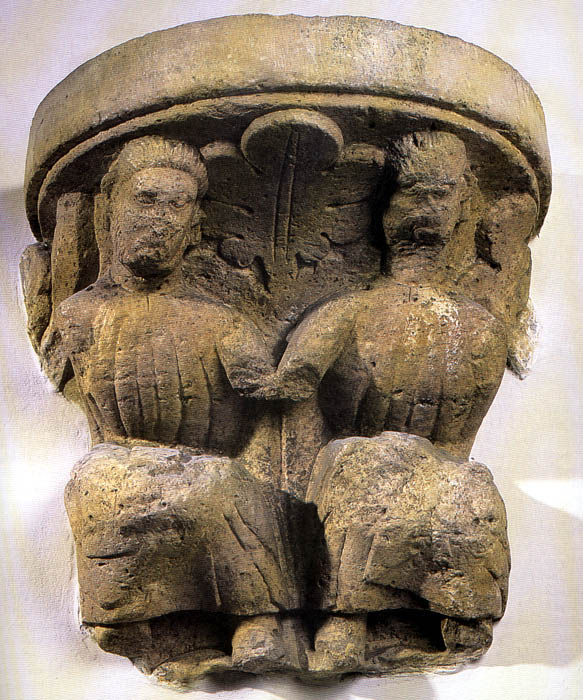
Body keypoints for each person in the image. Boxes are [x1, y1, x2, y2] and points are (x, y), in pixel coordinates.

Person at [57, 136, 305, 676]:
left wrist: (285, 376)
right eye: (146, 200)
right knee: (101, 487)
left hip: (209, 467)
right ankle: (143, 621)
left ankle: (256, 621)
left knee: (224, 483)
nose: (160, 220)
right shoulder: (80, 314)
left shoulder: (219, 320)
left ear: (195, 227)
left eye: (176, 206)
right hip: (120, 467)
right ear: (111, 212)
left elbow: (267, 393)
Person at [266, 131, 510, 669]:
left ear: (463, 210)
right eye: (411, 193)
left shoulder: (482, 329)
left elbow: (461, 439)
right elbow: (292, 392)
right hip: (354, 467)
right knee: (363, 464)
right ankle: (344, 618)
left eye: (440, 194)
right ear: (382, 209)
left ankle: (451, 612)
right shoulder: (349, 310)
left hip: (436, 471)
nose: (425, 210)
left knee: (469, 487)